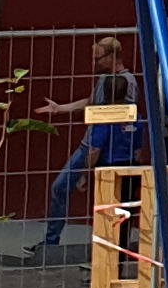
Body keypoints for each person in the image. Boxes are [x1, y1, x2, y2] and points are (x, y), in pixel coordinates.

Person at [38, 40, 144, 252]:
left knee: (109, 203)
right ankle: (52, 242)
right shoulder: (105, 79)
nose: (94, 62)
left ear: (112, 57)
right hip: (92, 143)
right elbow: (91, 102)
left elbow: (120, 117)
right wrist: (60, 109)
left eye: (98, 58)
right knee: (60, 188)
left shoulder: (125, 83)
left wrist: (91, 165)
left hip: (103, 149)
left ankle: (107, 250)